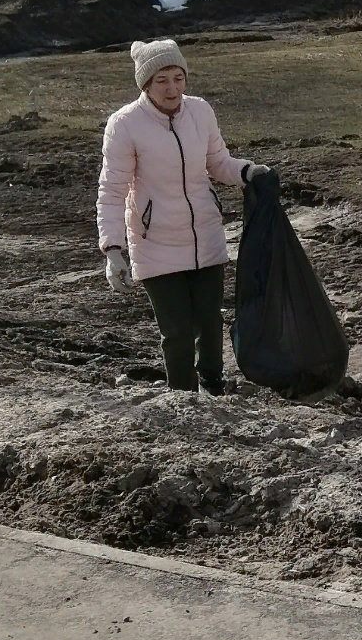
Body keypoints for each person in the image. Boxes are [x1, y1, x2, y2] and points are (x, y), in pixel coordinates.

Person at [96, 40, 271, 396]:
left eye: (178, 78)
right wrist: (113, 249)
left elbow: (218, 162)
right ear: (146, 84)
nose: (172, 88)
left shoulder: (201, 112)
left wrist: (249, 171)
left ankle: (212, 386)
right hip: (155, 242)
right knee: (176, 332)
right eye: (162, 80)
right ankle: (183, 400)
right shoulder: (124, 125)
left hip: (204, 235)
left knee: (210, 323)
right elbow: (112, 192)